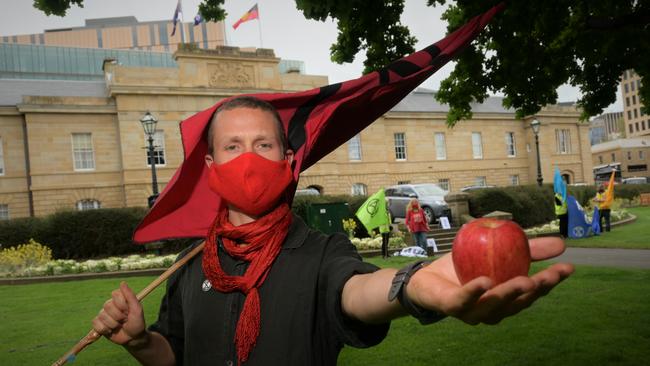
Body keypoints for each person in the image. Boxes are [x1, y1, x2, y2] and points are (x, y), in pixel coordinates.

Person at [92, 97, 574, 366]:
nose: (249, 159)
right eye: (232, 146)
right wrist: (139, 341)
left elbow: (358, 289)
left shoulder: (320, 252)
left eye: (263, 144)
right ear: (210, 164)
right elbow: (171, 356)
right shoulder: (190, 263)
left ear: (287, 162)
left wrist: (413, 285)